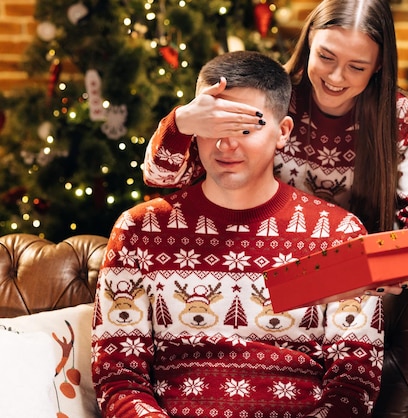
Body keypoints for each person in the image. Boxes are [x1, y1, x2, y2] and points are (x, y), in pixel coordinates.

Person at [92, 51, 383, 418]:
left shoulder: (339, 236)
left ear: (283, 133)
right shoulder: (140, 231)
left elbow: (354, 383)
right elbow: (119, 378)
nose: (226, 144)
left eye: (246, 128)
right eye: (214, 127)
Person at [142, 0, 408, 297]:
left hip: (351, 292)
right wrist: (181, 122)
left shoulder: (397, 115)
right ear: (310, 39)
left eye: (356, 66)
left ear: (378, 65)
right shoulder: (271, 96)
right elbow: (162, 178)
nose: (336, 77)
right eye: (326, 57)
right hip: (260, 269)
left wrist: (369, 272)